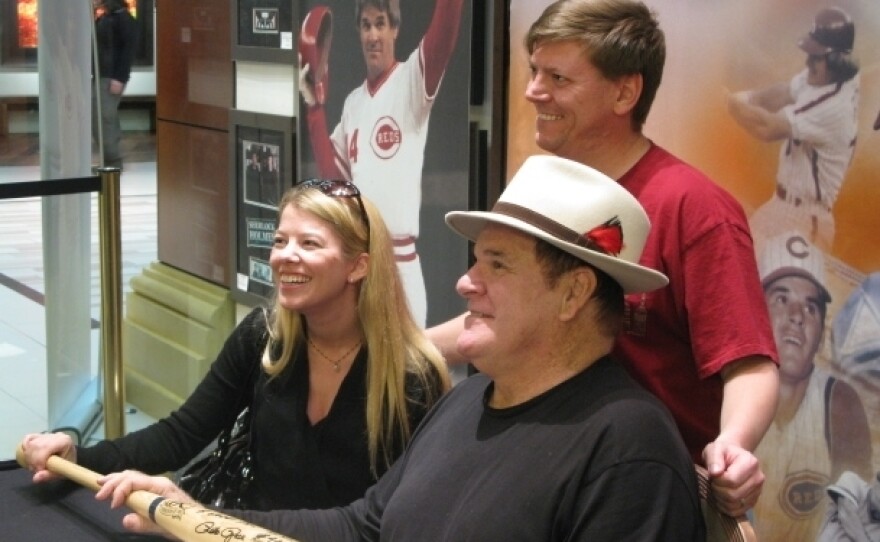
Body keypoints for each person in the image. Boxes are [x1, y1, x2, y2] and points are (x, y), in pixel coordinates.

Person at [90, 155, 706, 541]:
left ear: (572, 293)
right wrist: (195, 515)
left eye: (496, 264)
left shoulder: (628, 449)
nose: (466, 282)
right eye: (474, 261)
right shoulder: (465, 405)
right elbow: (363, 525)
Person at [428, 0, 779, 516]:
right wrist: (404, 350)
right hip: (541, 475)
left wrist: (733, 445)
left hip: (648, 496)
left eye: (558, 77)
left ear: (625, 91)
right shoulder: (546, 186)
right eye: (533, 71)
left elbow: (747, 360)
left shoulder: (694, 208)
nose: (533, 91)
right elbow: (508, 307)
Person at [19, 179, 450, 511]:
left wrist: (203, 518)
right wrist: (79, 457)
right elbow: (182, 433)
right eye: (280, 240)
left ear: (358, 267)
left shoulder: (413, 377)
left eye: (309, 243)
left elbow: (388, 518)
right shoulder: (263, 337)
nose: (284, 256)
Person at [297, 0, 465, 326]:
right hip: (362, 261)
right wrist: (315, 110)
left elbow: (443, 33)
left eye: (381, 23)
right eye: (366, 25)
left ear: (394, 29)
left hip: (402, 263)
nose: (373, 34)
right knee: (366, 368)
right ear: (359, 33)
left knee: (410, 372)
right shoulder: (352, 104)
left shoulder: (411, 80)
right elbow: (336, 185)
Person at [753, 231, 872, 542]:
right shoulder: (720, 385)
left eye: (811, 307)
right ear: (756, 309)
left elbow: (858, 522)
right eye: (782, 299)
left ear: (820, 333)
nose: (797, 317)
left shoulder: (840, 405)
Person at [727, 6, 859, 252]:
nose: (808, 61)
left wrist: (732, 105)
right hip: (779, 206)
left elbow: (767, 129)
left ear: (837, 61)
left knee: (772, 287)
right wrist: (747, 97)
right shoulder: (823, 77)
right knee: (737, 268)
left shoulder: (834, 105)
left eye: (817, 56)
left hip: (806, 218)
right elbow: (781, 93)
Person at [92, 0, 139, 170]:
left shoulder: (123, 20)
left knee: (104, 118)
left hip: (111, 76)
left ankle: (112, 160)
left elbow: (128, 51)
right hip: (101, 74)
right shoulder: (105, 18)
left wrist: (119, 77)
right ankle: (109, 158)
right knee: (102, 116)